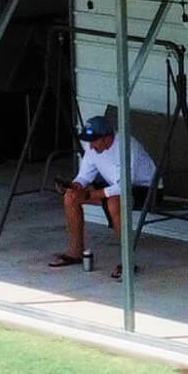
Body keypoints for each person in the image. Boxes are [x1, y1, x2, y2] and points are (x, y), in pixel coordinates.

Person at [49, 114, 158, 277]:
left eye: (94, 141)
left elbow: (124, 186)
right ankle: (75, 252)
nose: (91, 146)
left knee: (115, 201)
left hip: (146, 189)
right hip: (115, 187)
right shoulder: (92, 148)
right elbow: (85, 176)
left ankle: (128, 261)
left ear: (107, 138)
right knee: (71, 196)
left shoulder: (127, 145)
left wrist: (90, 194)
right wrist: (75, 186)